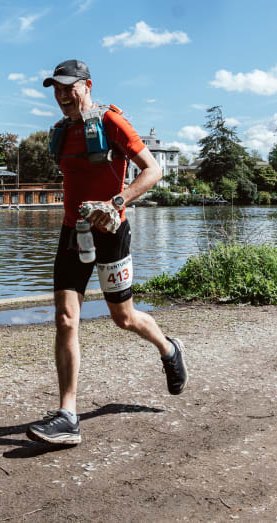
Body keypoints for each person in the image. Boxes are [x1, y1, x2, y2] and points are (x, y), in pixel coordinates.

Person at [25, 59, 187, 446]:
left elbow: (152, 170)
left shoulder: (112, 122)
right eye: (56, 89)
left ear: (87, 85)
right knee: (66, 318)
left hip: (111, 232)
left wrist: (116, 201)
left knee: (123, 317)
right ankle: (68, 416)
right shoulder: (61, 132)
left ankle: (169, 349)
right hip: (73, 233)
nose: (62, 95)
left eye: (68, 87)